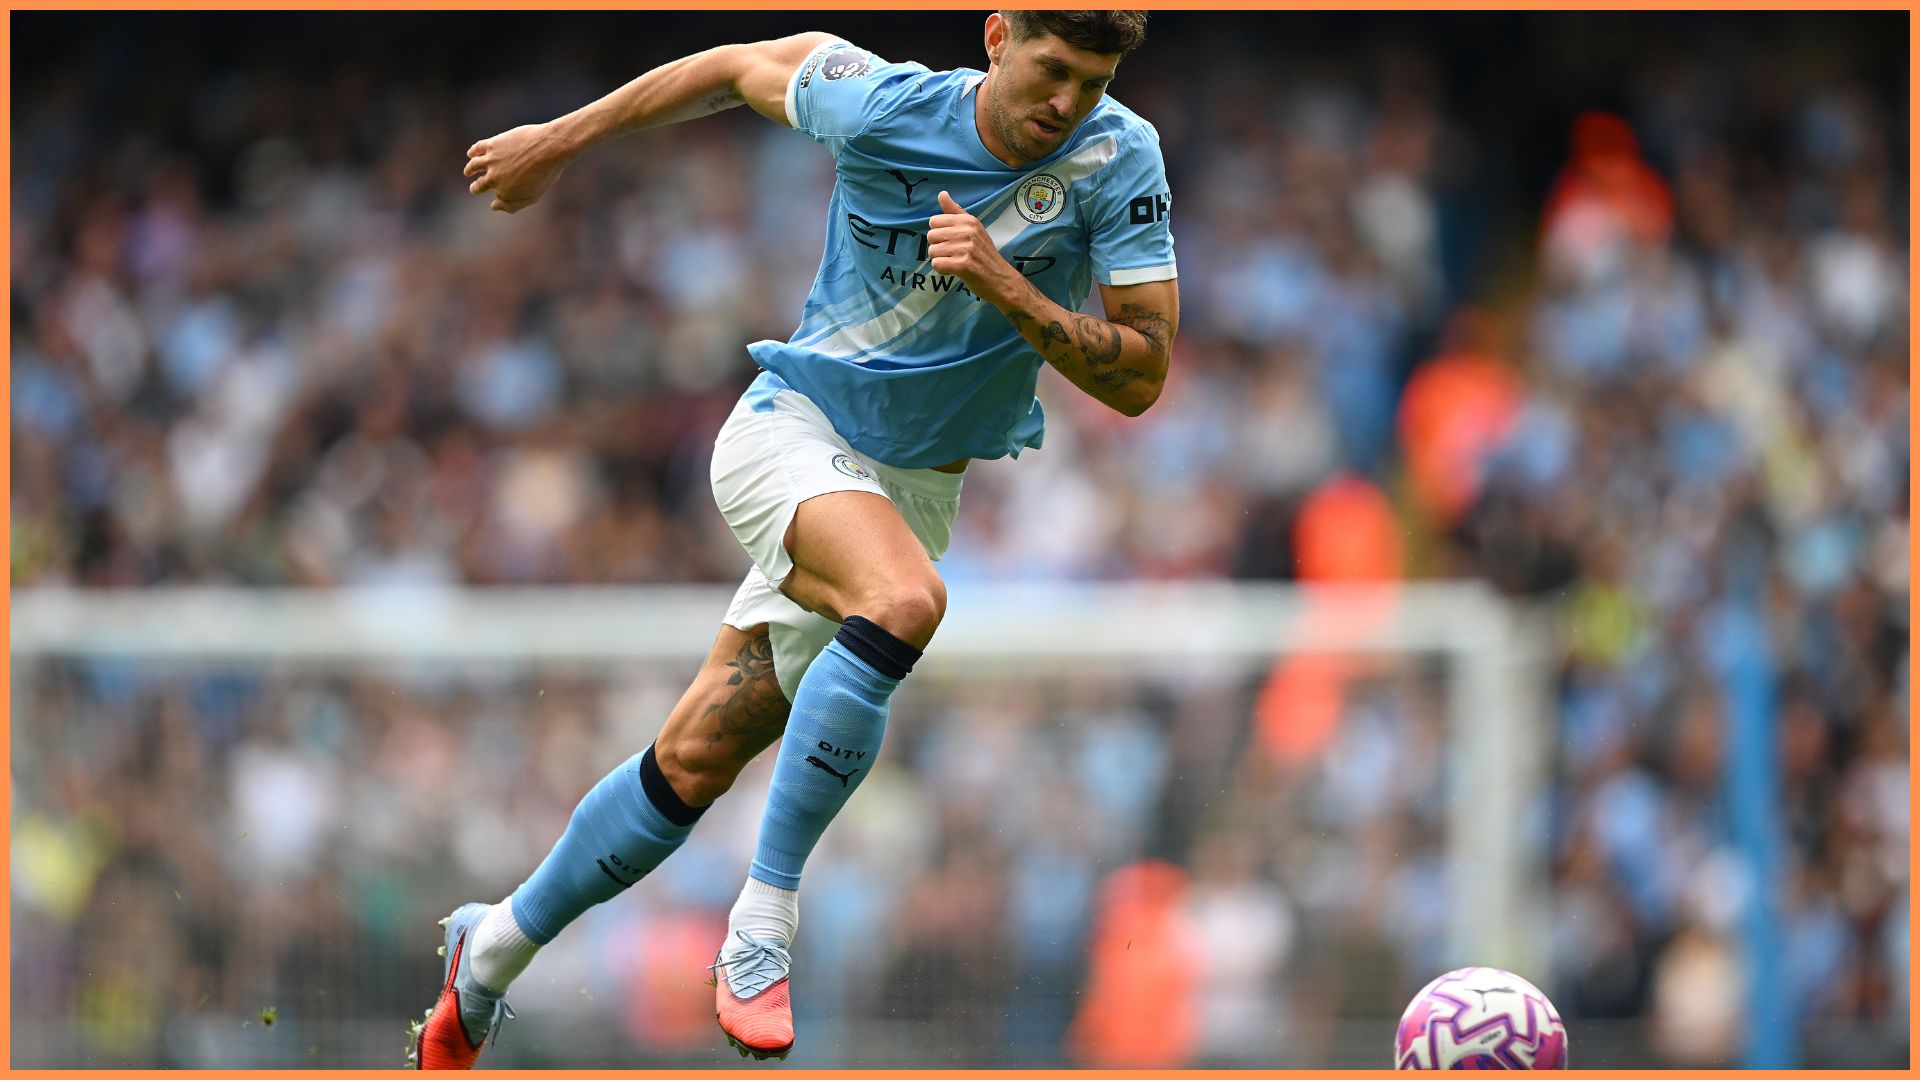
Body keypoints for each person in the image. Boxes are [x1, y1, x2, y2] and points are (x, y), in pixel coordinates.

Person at [410, 10, 1177, 1068]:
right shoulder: (881, 102)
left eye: (1092, 82)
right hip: (791, 432)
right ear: (998, 37)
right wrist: (559, 140)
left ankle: (487, 952)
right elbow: (731, 66)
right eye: (1052, 69)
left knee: (695, 756)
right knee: (905, 604)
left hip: (912, 489)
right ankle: (762, 927)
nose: (1068, 101)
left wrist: (1007, 284)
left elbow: (1142, 373)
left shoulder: (1118, 156)